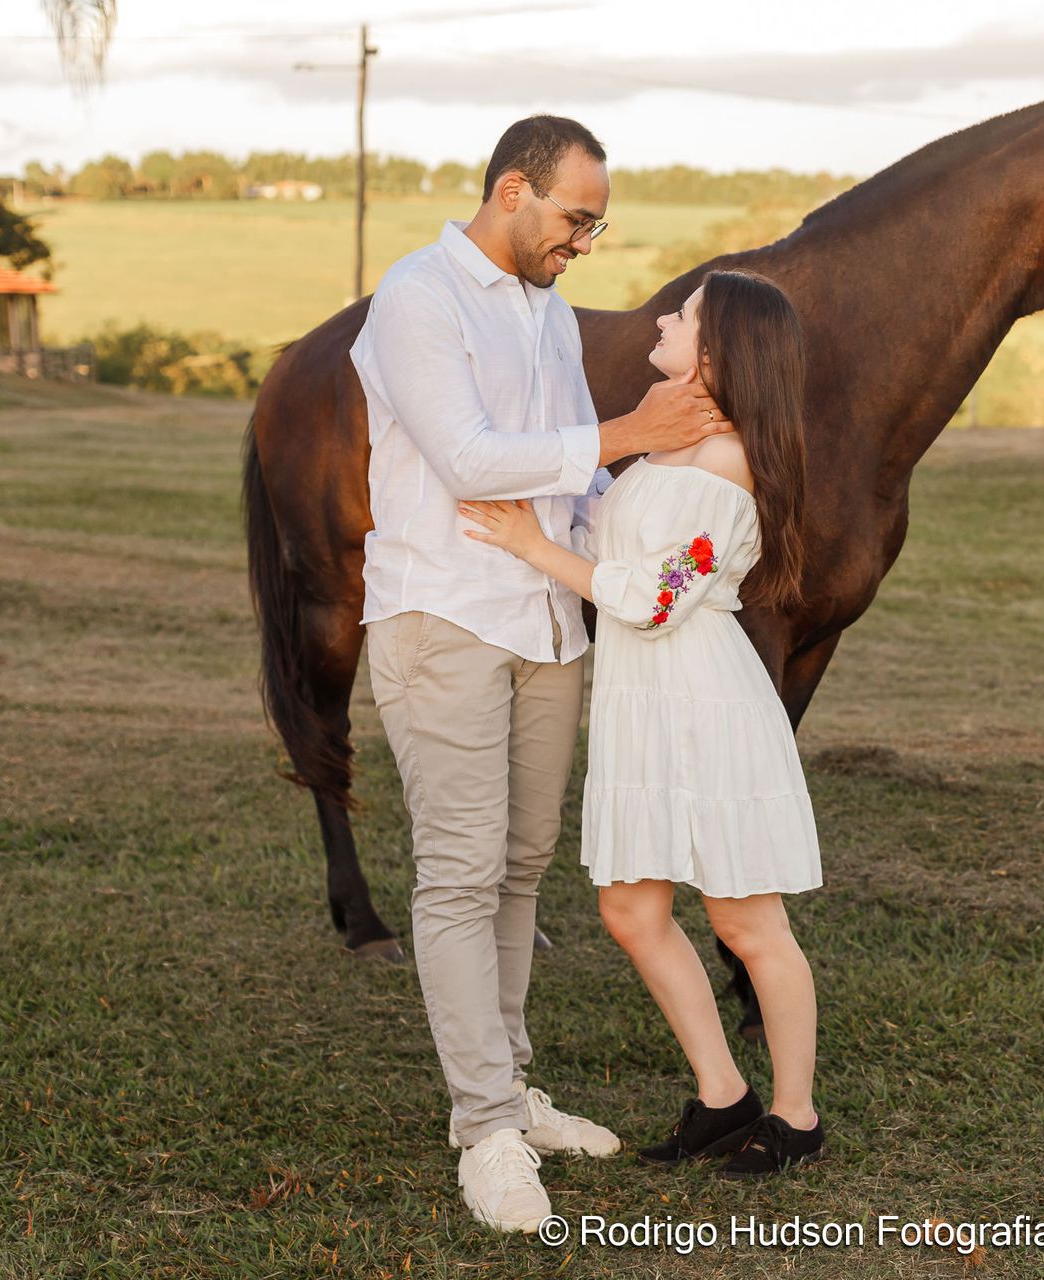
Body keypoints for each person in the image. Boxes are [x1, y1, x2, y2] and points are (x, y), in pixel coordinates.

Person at [349, 114, 735, 1234]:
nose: (585, 242)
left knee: (520, 868)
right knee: (460, 872)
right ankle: (484, 1129)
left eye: (597, 225)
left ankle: (510, 1087)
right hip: (444, 614)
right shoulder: (419, 295)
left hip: (548, 623)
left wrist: (687, 501)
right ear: (513, 192)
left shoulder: (548, 311)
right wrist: (630, 429)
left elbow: (570, 482)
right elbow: (469, 458)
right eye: (577, 218)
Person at [461, 268, 825, 1181]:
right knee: (629, 909)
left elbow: (661, 600)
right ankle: (722, 1097)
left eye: (686, 313)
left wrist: (533, 547)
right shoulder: (672, 448)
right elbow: (614, 545)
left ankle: (795, 1115)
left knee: (746, 920)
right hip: (643, 703)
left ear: (720, 352)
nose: (664, 316)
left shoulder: (727, 463)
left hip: (703, 703)